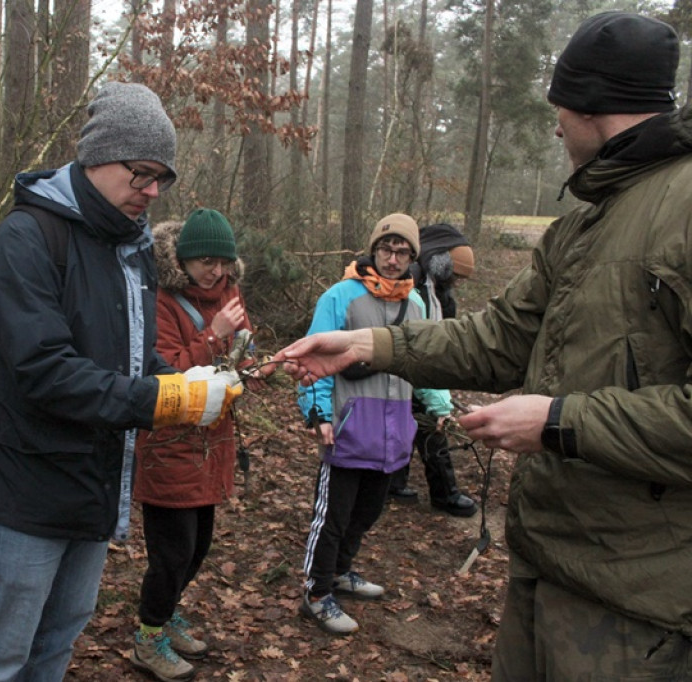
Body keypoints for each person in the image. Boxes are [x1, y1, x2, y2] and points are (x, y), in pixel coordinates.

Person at [276, 11, 692, 678]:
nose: (554, 126)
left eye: (560, 105)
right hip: (547, 561)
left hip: (640, 598)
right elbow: (498, 341)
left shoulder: (682, 208)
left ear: (590, 104)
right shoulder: (582, 223)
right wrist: (366, 345)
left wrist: (559, 422)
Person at [0, 83, 243, 682]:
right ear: (98, 157)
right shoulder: (24, 240)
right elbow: (44, 369)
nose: (153, 190)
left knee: (57, 643)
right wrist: (166, 399)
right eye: (143, 174)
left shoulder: (126, 249)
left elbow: (132, 357)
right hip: (19, 486)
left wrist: (190, 380)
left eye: (163, 178)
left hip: (91, 482)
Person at [131, 209, 273, 681]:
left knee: (198, 547)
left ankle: (166, 615)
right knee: (171, 553)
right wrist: (215, 336)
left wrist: (256, 364)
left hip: (214, 441)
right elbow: (165, 370)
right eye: (207, 262)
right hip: (169, 442)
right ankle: (147, 638)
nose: (217, 271)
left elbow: (243, 352)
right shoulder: (161, 300)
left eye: (224, 262)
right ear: (185, 260)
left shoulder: (229, 291)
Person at [296, 214, 453, 636]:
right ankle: (316, 594)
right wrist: (319, 414)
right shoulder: (340, 297)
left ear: (413, 257)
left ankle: (342, 573)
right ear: (372, 250)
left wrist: (440, 406)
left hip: (394, 431)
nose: (392, 258)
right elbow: (314, 361)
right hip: (348, 428)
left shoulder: (415, 304)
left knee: (367, 512)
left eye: (402, 252)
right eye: (386, 249)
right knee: (333, 517)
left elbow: (428, 361)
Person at [388, 224, 478, 517]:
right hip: (408, 364)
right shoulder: (412, 282)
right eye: (457, 276)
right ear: (443, 264)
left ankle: (397, 483)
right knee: (429, 426)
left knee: (416, 422)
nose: (458, 283)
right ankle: (444, 494)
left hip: (423, 367)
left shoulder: (440, 291)